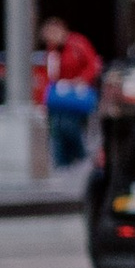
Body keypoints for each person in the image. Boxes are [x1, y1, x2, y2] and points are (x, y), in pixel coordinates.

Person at [38, 16, 102, 169]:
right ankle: (61, 161)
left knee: (68, 124)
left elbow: (93, 65)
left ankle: (79, 154)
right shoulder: (52, 51)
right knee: (57, 126)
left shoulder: (77, 43)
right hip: (60, 95)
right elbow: (50, 75)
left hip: (77, 94)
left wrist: (81, 80)